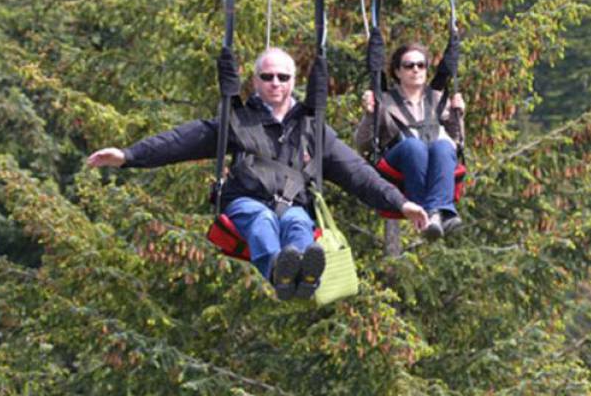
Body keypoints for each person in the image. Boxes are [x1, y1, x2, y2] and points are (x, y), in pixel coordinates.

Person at [87, 47, 428, 300]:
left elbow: (357, 173)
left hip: (293, 203)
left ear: (294, 81)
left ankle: (304, 276)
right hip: (246, 202)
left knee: (297, 223)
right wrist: (128, 156)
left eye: (283, 77)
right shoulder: (238, 121)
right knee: (261, 220)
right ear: (255, 81)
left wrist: (401, 204)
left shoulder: (312, 128)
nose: (275, 83)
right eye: (267, 77)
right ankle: (279, 272)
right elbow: (181, 141)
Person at [355, 42, 466, 241]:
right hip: (399, 162)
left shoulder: (438, 99)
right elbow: (362, 143)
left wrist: (459, 115)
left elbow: (456, 140)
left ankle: (437, 213)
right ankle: (424, 210)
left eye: (421, 65)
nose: (416, 69)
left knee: (443, 145)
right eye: (409, 65)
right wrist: (370, 115)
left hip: (436, 160)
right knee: (414, 146)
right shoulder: (385, 101)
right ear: (398, 71)